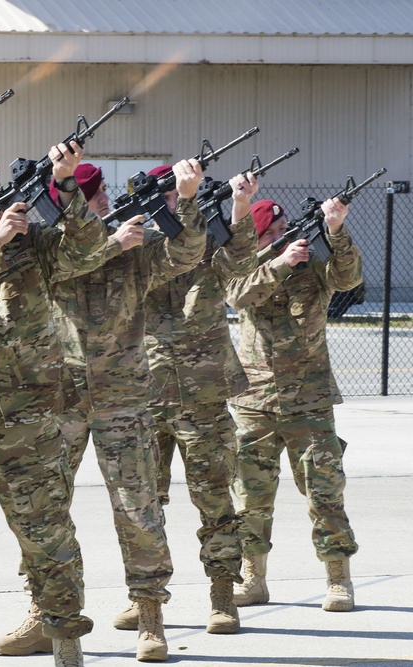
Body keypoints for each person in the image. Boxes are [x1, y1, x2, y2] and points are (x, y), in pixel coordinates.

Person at [0, 144, 110, 667]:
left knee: (49, 539)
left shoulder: (35, 242)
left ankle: (66, 648)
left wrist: (66, 183)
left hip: (29, 419)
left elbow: (89, 249)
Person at [42, 161, 206, 663]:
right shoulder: (50, 246)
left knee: (139, 509)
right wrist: (112, 243)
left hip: (123, 398)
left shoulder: (136, 249)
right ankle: (43, 611)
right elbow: (67, 263)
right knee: (45, 512)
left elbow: (188, 252)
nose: (108, 201)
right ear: (72, 204)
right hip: (62, 397)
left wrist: (187, 197)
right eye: (96, 195)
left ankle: (150, 614)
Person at [225, 198, 361, 612]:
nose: (288, 231)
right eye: (277, 227)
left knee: (325, 492)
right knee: (250, 496)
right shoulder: (243, 262)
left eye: (289, 224)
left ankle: (339, 579)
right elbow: (238, 296)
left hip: (310, 399)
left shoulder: (314, 264)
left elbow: (348, 278)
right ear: (263, 233)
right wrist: (281, 262)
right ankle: (253, 578)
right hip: (255, 400)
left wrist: (336, 231)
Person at [143, 165, 260, 634]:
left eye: (185, 194)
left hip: (204, 394)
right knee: (144, 506)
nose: (182, 202)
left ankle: (221, 594)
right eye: (175, 196)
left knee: (215, 501)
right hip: (148, 394)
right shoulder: (138, 243)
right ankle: (147, 599)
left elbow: (241, 263)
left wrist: (239, 208)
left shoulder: (211, 243)